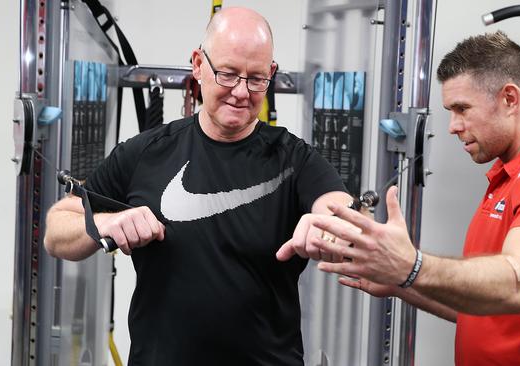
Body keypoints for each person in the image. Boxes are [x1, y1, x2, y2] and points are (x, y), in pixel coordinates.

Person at [278, 31, 520, 365]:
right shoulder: (509, 179)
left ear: (509, 99)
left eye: (462, 109)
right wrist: (400, 280)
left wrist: (411, 265)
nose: (453, 126)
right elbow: (484, 308)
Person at [43, 7, 352, 366]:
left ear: (271, 74)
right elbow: (56, 230)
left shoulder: (294, 159)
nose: (241, 92)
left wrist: (334, 227)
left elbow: (342, 209)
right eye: (227, 74)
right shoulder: (145, 153)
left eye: (256, 79)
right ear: (197, 64)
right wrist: (106, 223)